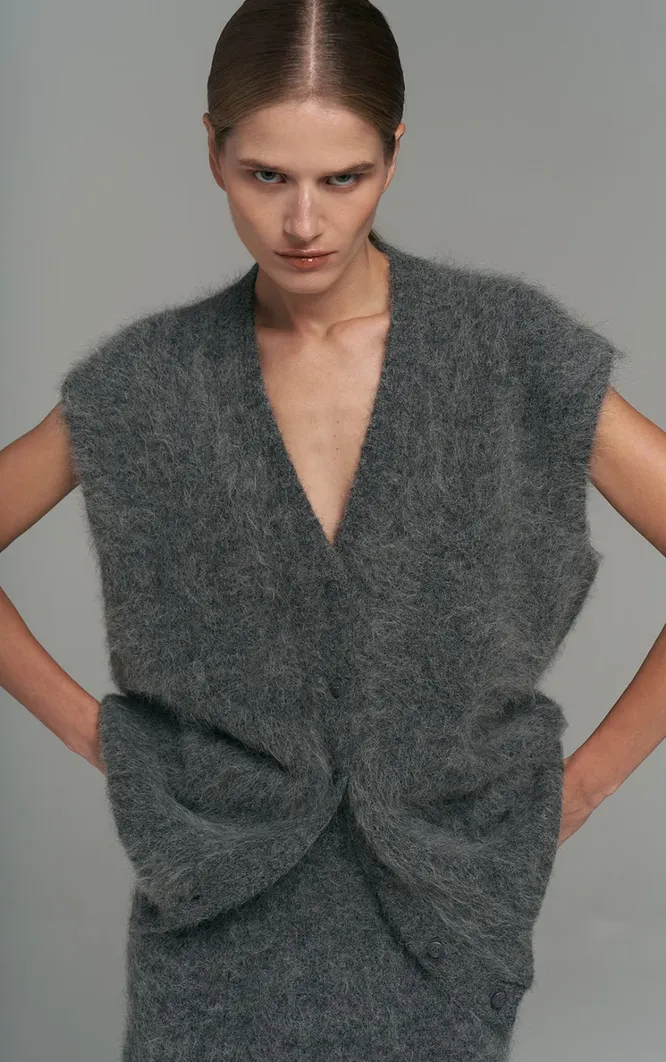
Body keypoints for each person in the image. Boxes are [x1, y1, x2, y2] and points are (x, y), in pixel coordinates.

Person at [2, 1, 665, 1060]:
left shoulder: (508, 350)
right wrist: (111, 744)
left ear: (394, 155)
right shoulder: (146, 381)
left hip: (443, 904)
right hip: (216, 899)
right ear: (213, 150)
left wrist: (584, 784)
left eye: (343, 177)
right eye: (266, 174)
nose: (302, 221)